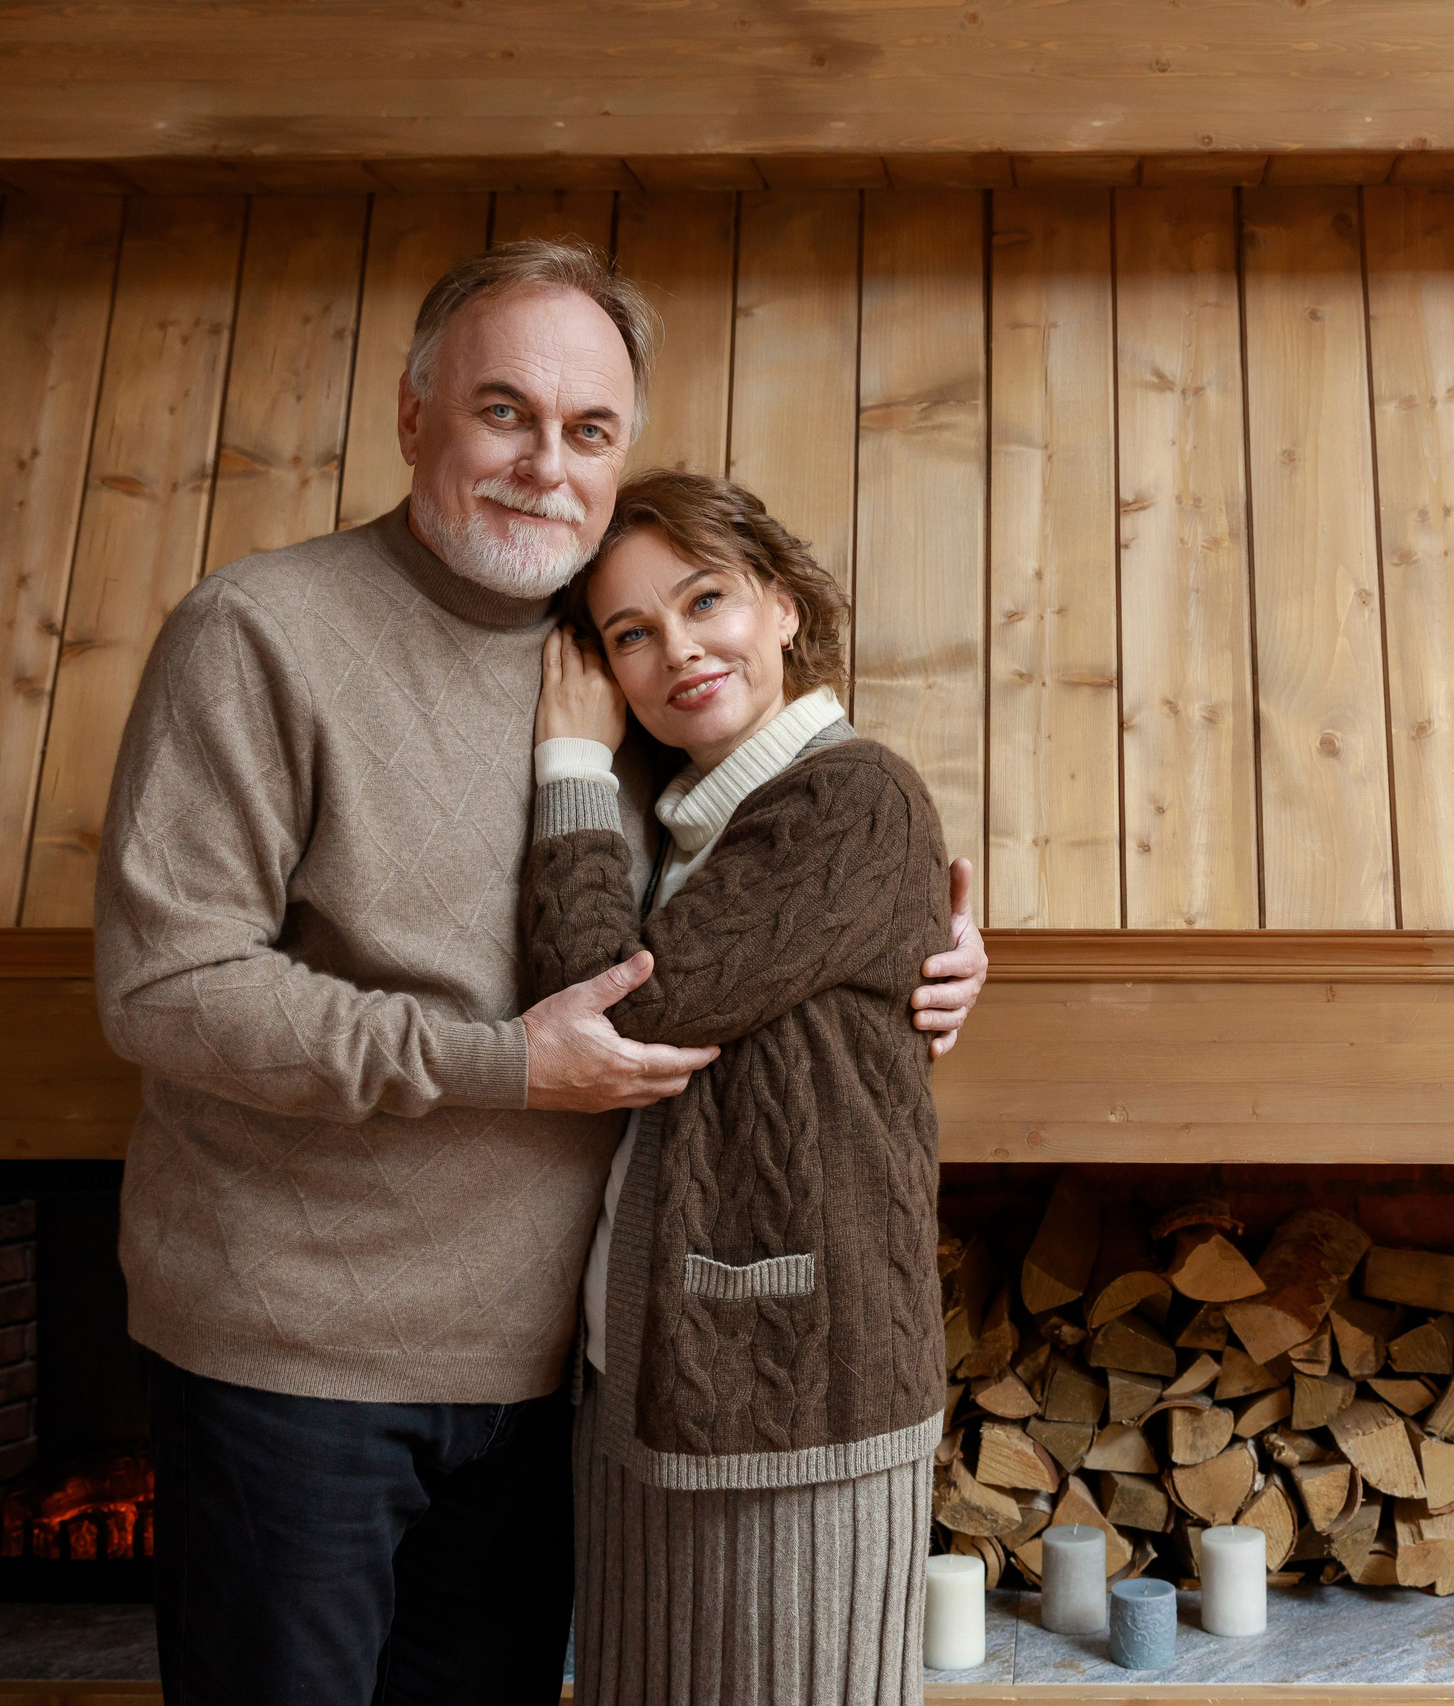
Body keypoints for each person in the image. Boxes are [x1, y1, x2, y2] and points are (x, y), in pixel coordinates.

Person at [90, 239, 987, 1705]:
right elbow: (167, 985)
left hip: (557, 1379)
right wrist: (499, 1060)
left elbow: (773, 865)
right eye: (503, 412)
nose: (542, 466)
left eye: (588, 431)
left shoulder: (627, 662)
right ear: (414, 416)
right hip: (294, 1361)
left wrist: (929, 946)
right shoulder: (260, 632)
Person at [526, 472, 950, 1706]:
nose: (678, 651)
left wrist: (566, 757)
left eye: (704, 599)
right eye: (630, 635)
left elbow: (597, 1007)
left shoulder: (848, 795)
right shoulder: (687, 823)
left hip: (790, 1399)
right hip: (649, 1387)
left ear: (777, 602)